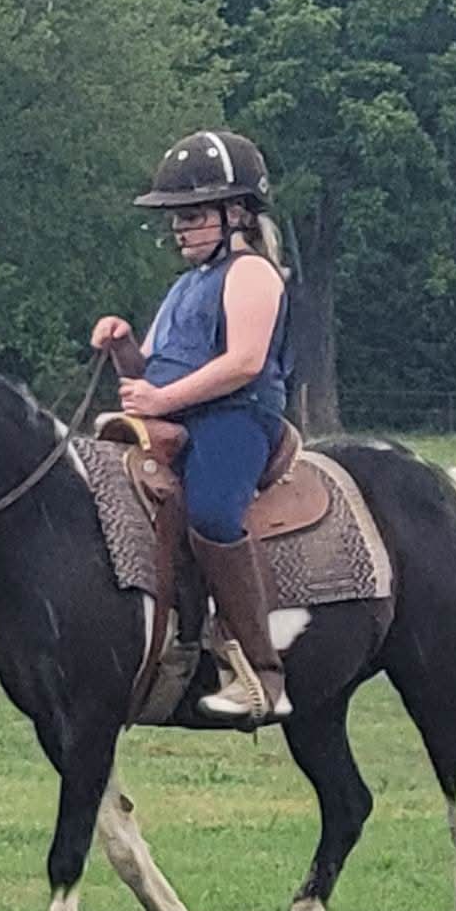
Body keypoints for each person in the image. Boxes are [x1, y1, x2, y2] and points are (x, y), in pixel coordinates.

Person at [91, 129, 293, 723]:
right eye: (176, 218)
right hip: (180, 416)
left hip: (237, 417)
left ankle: (262, 674)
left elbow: (244, 362)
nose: (180, 229)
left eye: (194, 215)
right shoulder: (186, 285)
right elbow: (151, 372)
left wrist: (161, 397)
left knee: (212, 512)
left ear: (238, 214)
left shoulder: (251, 272)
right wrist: (124, 347)